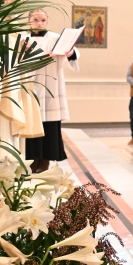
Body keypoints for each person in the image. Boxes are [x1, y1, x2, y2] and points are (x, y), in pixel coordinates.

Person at [25, 9, 80, 172]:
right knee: (30, 127)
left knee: (48, 127)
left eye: (43, 20)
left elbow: (72, 55)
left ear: (47, 21)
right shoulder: (22, 39)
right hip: (29, 89)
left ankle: (44, 161)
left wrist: (70, 53)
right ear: (29, 21)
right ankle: (31, 161)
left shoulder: (56, 38)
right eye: (36, 20)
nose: (39, 23)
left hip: (50, 89)